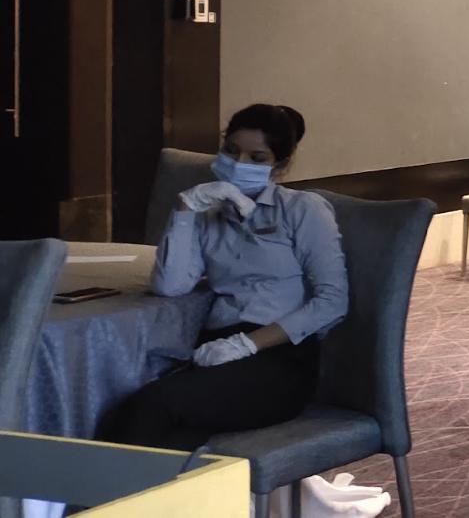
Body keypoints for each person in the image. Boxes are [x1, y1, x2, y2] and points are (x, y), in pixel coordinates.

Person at [101, 104, 348, 450]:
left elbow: (333, 301)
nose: (238, 163)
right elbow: (171, 285)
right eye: (231, 151)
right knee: (148, 429)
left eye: (256, 158)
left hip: (279, 356)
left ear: (279, 164)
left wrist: (247, 344)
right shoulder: (208, 212)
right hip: (214, 347)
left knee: (152, 407)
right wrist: (185, 210)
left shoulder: (301, 208)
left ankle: (106, 488)